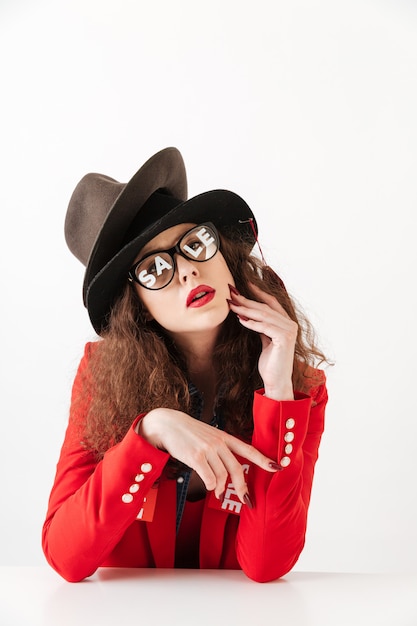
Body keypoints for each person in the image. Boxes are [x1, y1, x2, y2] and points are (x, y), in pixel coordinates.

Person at [42, 147, 328, 583]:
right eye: (155, 269)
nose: (188, 271)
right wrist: (150, 431)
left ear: (225, 257)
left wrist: (277, 393)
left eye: (195, 244)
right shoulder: (101, 376)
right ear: (135, 308)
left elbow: (268, 566)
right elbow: (66, 557)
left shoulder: (298, 385)